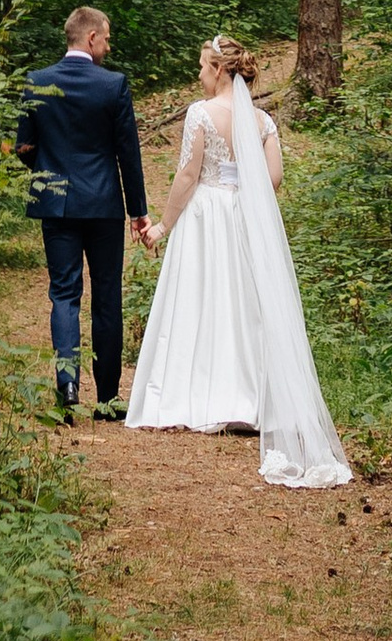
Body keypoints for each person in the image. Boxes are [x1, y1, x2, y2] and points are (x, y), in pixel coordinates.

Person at [126, 34, 350, 488]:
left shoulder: (201, 115)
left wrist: (163, 227)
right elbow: (273, 178)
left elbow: (188, 175)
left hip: (206, 214)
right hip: (245, 217)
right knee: (246, 306)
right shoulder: (263, 122)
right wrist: (245, 200)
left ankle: (198, 395)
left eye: (204, 68)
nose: (200, 75)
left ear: (220, 70)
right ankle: (251, 399)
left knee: (202, 299)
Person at [14, 2, 150, 420]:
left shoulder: (37, 82)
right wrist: (137, 211)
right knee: (107, 296)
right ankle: (107, 399)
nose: (108, 47)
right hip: (105, 205)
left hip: (56, 205)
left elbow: (23, 147)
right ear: (90, 37)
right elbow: (128, 154)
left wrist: (47, 168)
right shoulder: (113, 86)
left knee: (64, 294)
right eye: (106, 38)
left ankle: (67, 385)